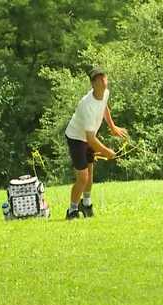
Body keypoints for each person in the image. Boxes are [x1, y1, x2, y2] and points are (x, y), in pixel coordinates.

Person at [64, 67, 128, 220]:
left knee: (90, 174)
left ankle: (86, 204)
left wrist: (112, 127)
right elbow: (91, 139)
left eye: (104, 77)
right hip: (76, 138)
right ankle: (72, 210)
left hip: (88, 137)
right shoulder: (86, 105)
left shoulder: (105, 93)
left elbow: (104, 107)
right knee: (83, 177)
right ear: (93, 84)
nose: (103, 81)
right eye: (98, 79)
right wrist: (107, 152)